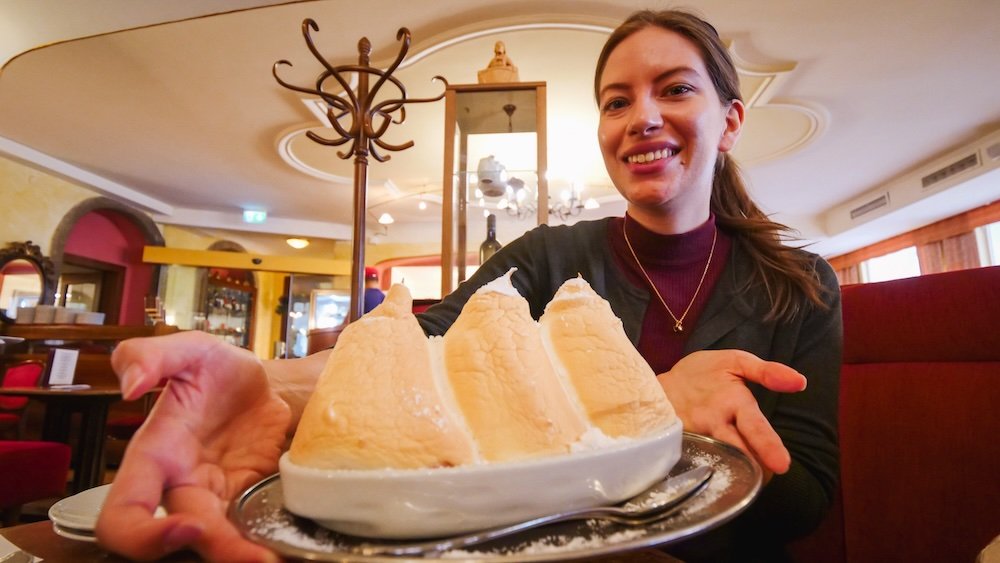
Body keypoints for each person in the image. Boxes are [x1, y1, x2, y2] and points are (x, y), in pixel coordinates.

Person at [95, 9, 840, 563]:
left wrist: (706, 432)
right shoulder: (549, 258)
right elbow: (418, 349)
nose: (642, 117)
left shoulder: (802, 286)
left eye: (674, 89)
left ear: (731, 120)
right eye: (617, 101)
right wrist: (267, 381)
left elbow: (805, 506)